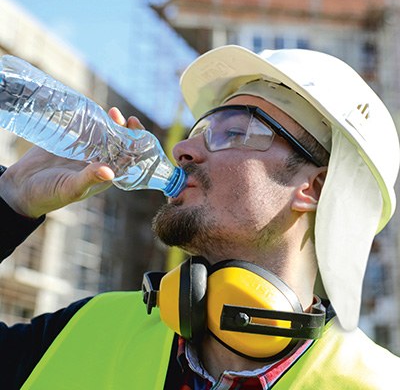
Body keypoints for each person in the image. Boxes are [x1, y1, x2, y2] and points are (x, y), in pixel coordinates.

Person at [0, 45, 399, 389]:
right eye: (201, 127)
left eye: (234, 131)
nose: (183, 148)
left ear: (314, 188)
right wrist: (10, 199)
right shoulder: (85, 331)